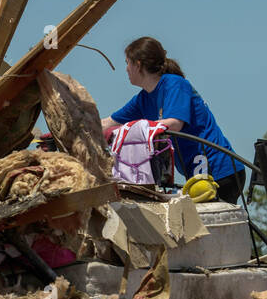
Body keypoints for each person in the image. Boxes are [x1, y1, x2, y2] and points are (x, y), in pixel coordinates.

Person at [103, 37, 248, 203]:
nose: (126, 69)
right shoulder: (143, 99)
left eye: (127, 63)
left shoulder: (175, 84)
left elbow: (174, 124)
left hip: (221, 173)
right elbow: (107, 123)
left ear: (138, 64)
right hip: (198, 176)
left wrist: (134, 129)